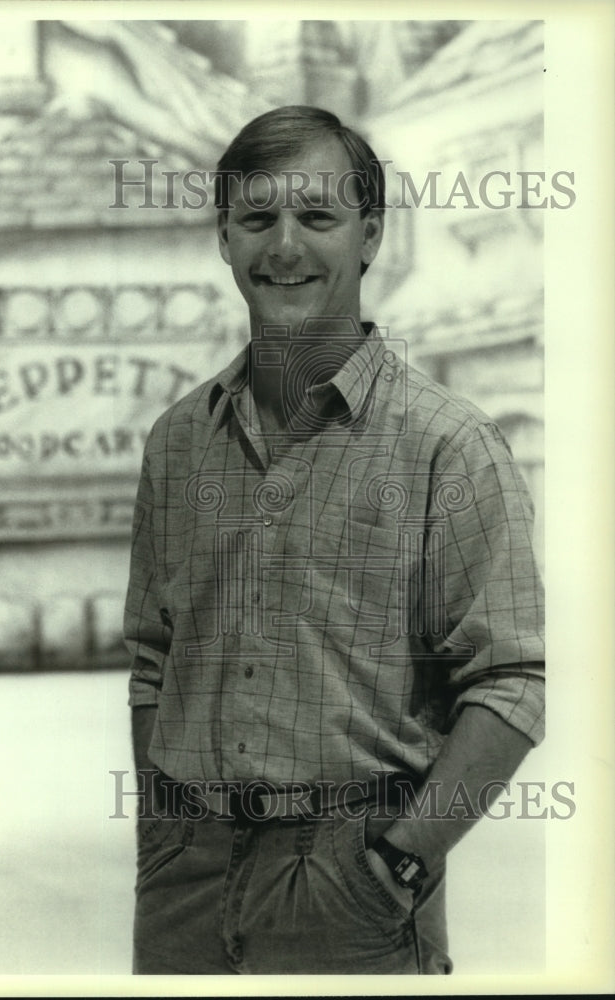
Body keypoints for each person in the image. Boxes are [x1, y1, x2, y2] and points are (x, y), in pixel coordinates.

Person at [123, 105, 545, 975]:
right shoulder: (177, 441)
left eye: (316, 216)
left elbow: (510, 681)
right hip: (183, 887)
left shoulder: (447, 444)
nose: (284, 246)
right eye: (256, 218)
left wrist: (399, 860)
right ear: (223, 238)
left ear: (370, 236)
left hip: (352, 887)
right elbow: (154, 660)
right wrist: (164, 838)